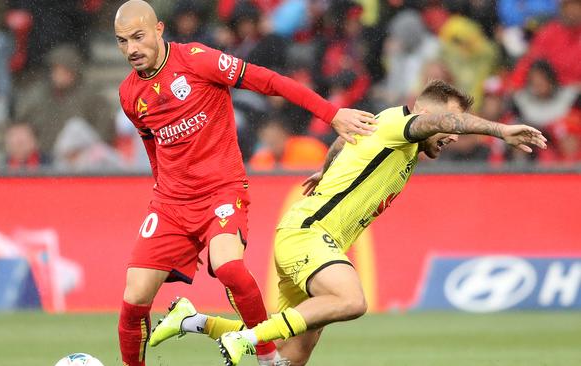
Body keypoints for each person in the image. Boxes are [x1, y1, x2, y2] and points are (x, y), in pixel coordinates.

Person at [150, 80, 547, 366]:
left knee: (290, 356)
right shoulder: (402, 124)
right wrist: (500, 131)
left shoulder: (383, 126)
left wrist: (325, 171)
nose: (452, 135)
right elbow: (432, 123)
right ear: (428, 114)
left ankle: (190, 319)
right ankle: (246, 337)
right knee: (352, 301)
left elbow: (343, 140)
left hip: (309, 238)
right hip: (309, 234)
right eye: (449, 124)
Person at [112, 2, 378, 366]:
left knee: (229, 268)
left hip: (221, 190)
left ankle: (266, 360)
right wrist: (160, 188)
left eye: (138, 37)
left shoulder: (197, 60)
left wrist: (331, 114)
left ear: (159, 30)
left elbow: (271, 81)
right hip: (170, 204)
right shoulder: (130, 94)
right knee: (133, 300)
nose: (131, 49)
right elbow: (151, 142)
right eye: (122, 42)